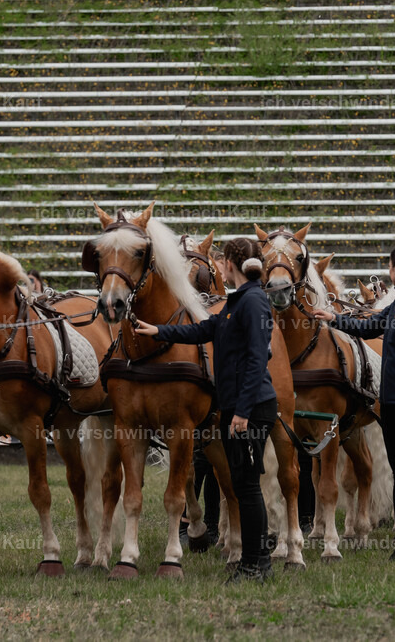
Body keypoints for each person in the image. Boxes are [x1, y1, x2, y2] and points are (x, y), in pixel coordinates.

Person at [134, 238, 277, 583]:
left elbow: (259, 359)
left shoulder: (254, 302)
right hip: (236, 407)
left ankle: (255, 564)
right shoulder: (235, 302)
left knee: (247, 487)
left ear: (230, 264)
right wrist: (159, 330)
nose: (219, 267)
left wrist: (242, 412)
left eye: (221, 262)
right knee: (244, 485)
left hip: (251, 408)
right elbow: (203, 329)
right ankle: (257, 564)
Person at [312, 245, 395, 560]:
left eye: (389, 266)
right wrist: (333, 318)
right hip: (393, 404)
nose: (388, 270)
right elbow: (369, 326)